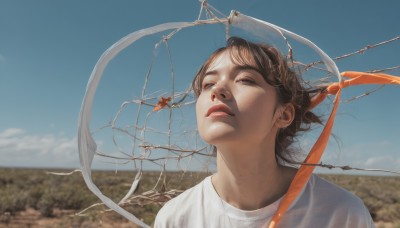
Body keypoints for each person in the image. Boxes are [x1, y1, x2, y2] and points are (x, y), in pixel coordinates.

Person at [154, 37, 375, 227]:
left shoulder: (341, 214)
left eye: (245, 79)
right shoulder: (176, 218)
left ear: (284, 114)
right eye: (208, 84)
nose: (218, 90)